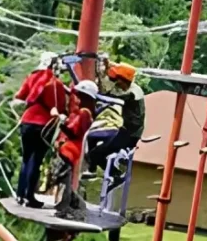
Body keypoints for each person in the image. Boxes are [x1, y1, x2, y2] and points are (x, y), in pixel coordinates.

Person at [13, 52, 68, 208]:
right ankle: (29, 197)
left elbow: (20, 96)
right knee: (36, 160)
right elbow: (60, 107)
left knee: (26, 159)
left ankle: (20, 195)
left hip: (26, 122)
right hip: (42, 125)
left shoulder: (31, 77)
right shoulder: (54, 83)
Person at [88, 63, 145, 175]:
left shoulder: (134, 93)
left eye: (117, 80)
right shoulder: (126, 89)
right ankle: (91, 169)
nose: (116, 83)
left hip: (130, 135)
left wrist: (95, 94)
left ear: (123, 80)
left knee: (95, 154)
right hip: (122, 130)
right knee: (91, 137)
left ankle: (115, 174)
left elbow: (114, 98)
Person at [53, 80, 98, 213]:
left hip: (70, 150)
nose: (77, 98)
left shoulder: (84, 113)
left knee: (64, 180)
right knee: (66, 180)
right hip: (74, 150)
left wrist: (60, 120)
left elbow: (72, 131)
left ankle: (64, 206)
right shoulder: (87, 112)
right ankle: (67, 204)